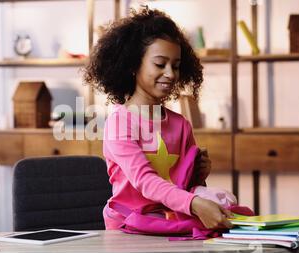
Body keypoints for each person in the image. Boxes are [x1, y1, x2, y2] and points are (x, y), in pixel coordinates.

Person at [83, 7, 236, 231]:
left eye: (175, 66)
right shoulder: (120, 123)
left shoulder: (180, 124)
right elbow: (145, 181)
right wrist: (194, 204)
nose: (171, 74)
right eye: (160, 64)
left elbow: (184, 186)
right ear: (133, 65)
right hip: (128, 230)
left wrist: (199, 174)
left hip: (170, 223)